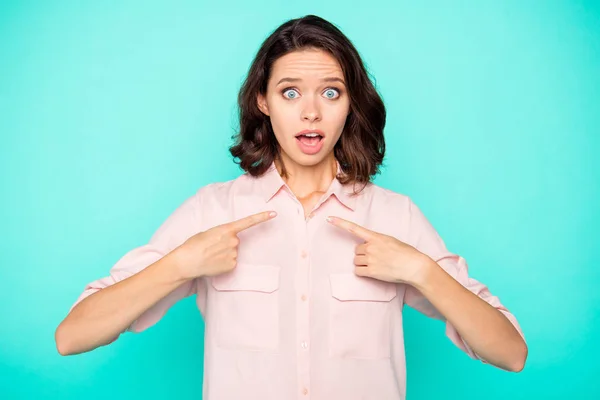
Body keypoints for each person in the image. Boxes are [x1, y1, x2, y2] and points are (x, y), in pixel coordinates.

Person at [55, 14, 527, 399]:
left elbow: (510, 353)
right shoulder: (213, 210)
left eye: (330, 92)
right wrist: (181, 263)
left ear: (349, 104)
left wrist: (421, 270)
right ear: (263, 101)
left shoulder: (394, 216)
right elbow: (72, 336)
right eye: (290, 92)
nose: (310, 112)